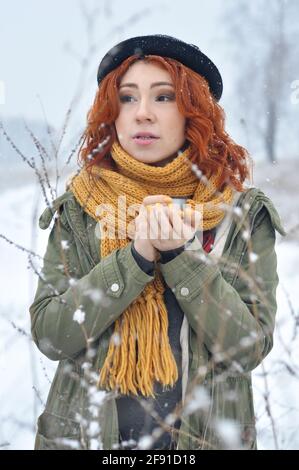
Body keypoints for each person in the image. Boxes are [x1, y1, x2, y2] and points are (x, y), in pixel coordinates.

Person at [29, 34, 286, 451]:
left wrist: (182, 258)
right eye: (127, 98)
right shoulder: (82, 206)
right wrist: (134, 259)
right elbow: (51, 335)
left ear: (194, 112)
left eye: (163, 97)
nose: (142, 114)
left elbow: (248, 347)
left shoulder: (240, 213)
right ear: (111, 113)